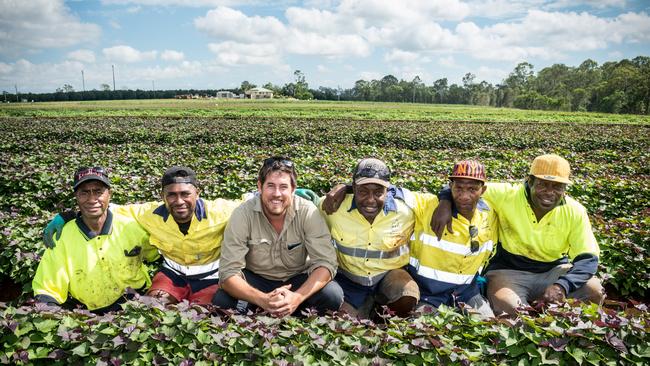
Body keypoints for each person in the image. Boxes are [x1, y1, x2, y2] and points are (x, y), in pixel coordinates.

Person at [431, 154, 605, 316]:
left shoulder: (574, 211)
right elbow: (462, 185)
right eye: (542, 184)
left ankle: (573, 333)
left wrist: (562, 285)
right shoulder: (507, 195)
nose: (549, 192)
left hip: (553, 271)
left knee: (594, 290)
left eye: (557, 187)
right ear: (529, 181)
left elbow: (588, 258)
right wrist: (445, 202)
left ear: (565, 188)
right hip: (508, 271)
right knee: (512, 309)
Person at [43, 166, 242, 305]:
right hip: (173, 274)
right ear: (162, 196)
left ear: (197, 193)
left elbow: (251, 201)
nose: (179, 201)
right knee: (154, 308)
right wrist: (65, 216)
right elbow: (102, 206)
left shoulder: (222, 211)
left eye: (185, 193)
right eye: (171, 195)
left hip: (210, 276)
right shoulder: (149, 214)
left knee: (206, 314)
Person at [212, 156, 343, 317]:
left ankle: (297, 321)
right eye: (270, 186)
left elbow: (326, 262)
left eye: (283, 187)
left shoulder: (308, 212)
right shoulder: (242, 214)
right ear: (259, 187)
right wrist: (263, 299)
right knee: (222, 300)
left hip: (296, 279)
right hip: (257, 281)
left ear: (293, 189)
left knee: (332, 295)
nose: (277, 194)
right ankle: (256, 321)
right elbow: (228, 273)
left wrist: (297, 297)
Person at [33, 167, 158, 312]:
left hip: (136, 302)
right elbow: (48, 287)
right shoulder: (62, 237)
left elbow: (157, 253)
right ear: (76, 196)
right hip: (88, 312)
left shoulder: (131, 226)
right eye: (84, 192)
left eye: (98, 192)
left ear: (109, 194)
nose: (92, 199)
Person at [320, 158, 419, 318]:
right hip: (350, 279)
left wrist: (446, 200)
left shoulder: (407, 210)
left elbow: (447, 197)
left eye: (378, 192)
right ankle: (365, 309)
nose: (371, 200)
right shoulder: (333, 206)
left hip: (389, 275)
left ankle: (382, 315)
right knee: (342, 324)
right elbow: (300, 205)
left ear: (388, 190)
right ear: (354, 187)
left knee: (407, 294)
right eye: (363, 191)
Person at [409, 160, 496, 317]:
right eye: (458, 188)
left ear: (483, 190)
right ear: (450, 186)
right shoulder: (428, 206)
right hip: (428, 295)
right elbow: (390, 192)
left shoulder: (489, 214)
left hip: (467, 294)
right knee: (421, 336)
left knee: (491, 330)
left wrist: (446, 198)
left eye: (472, 189)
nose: (464, 196)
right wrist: (349, 188)